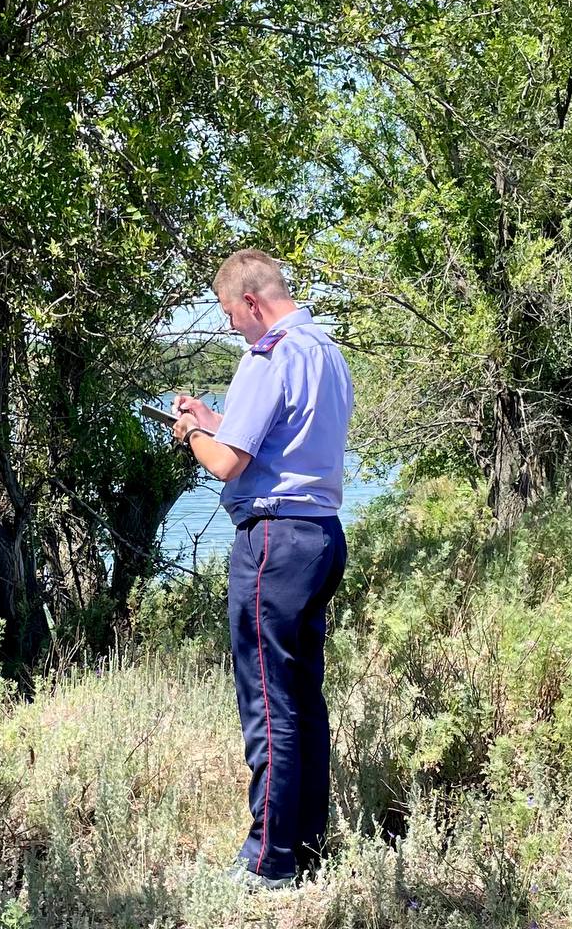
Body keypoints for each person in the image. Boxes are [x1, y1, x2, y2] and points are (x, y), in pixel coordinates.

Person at [171, 248, 354, 890]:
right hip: (321, 537)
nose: (228, 327)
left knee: (268, 704)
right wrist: (213, 421)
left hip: (274, 541)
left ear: (252, 302)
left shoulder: (266, 354)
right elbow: (271, 438)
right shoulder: (324, 351)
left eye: (228, 313)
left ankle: (268, 862)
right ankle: (306, 846)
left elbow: (227, 465)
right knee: (302, 697)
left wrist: (191, 435)